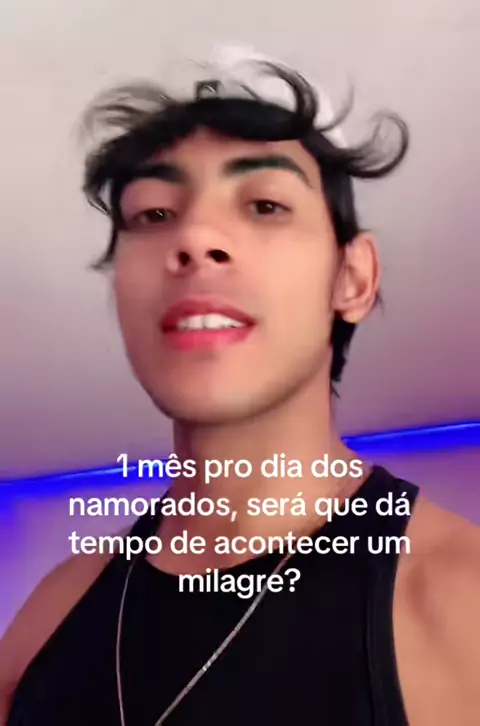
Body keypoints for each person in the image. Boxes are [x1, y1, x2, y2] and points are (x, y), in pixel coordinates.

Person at [1, 48, 479, 726]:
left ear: (353, 278)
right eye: (153, 215)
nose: (196, 237)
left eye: (265, 204)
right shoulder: (50, 616)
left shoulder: (461, 605)